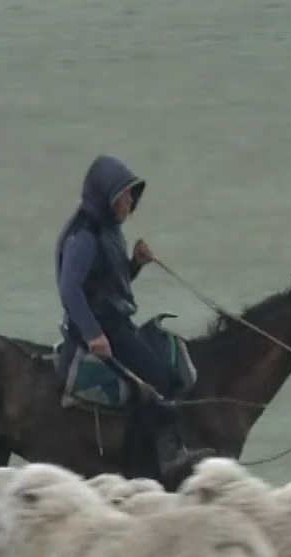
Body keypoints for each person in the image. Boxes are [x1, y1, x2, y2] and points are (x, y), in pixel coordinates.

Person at [55, 154, 214, 477]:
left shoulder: (110, 230)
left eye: (131, 195)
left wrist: (135, 264)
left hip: (116, 322)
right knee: (163, 379)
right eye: (125, 195)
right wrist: (92, 333)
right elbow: (69, 289)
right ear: (106, 196)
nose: (130, 201)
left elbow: (109, 285)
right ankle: (165, 456)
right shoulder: (85, 236)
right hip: (106, 329)